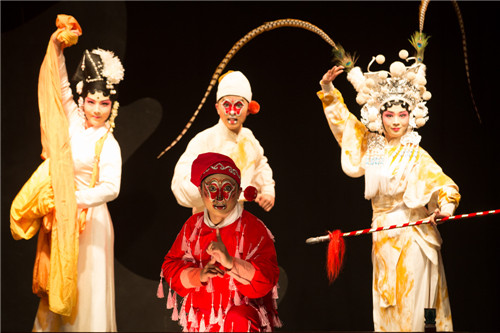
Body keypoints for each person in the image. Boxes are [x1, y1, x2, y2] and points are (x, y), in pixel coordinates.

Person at [316, 42, 460, 332]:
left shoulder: (414, 151)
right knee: (386, 306)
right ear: (379, 115)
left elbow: (444, 185)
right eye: (389, 115)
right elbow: (345, 125)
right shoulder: (374, 145)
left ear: (412, 116)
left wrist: (445, 207)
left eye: (402, 115)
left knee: (419, 309)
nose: (396, 121)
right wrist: (329, 92)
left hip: (414, 235)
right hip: (382, 237)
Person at [10, 15, 123, 331]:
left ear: (111, 104)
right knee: (57, 288)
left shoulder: (108, 142)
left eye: (104, 103)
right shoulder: (73, 123)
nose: (97, 109)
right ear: (83, 99)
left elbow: (111, 188)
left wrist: (72, 199)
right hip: (62, 218)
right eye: (91, 101)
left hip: (90, 223)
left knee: (83, 292)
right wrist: (58, 48)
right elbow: (59, 86)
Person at [161, 152, 281, 332]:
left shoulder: (253, 228)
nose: (218, 196)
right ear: (201, 191)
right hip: (203, 318)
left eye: (226, 188)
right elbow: (170, 266)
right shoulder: (193, 226)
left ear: (239, 192)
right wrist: (199, 275)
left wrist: (231, 263)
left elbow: (267, 277)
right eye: (211, 188)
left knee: (238, 317)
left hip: (240, 320)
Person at [171, 71, 275, 214]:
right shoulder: (205, 140)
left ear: (250, 109)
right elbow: (180, 182)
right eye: (226, 104)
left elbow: (259, 165)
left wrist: (268, 190)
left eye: (238, 105)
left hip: (236, 222)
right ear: (217, 108)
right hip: (207, 223)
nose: (232, 112)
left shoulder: (248, 138)